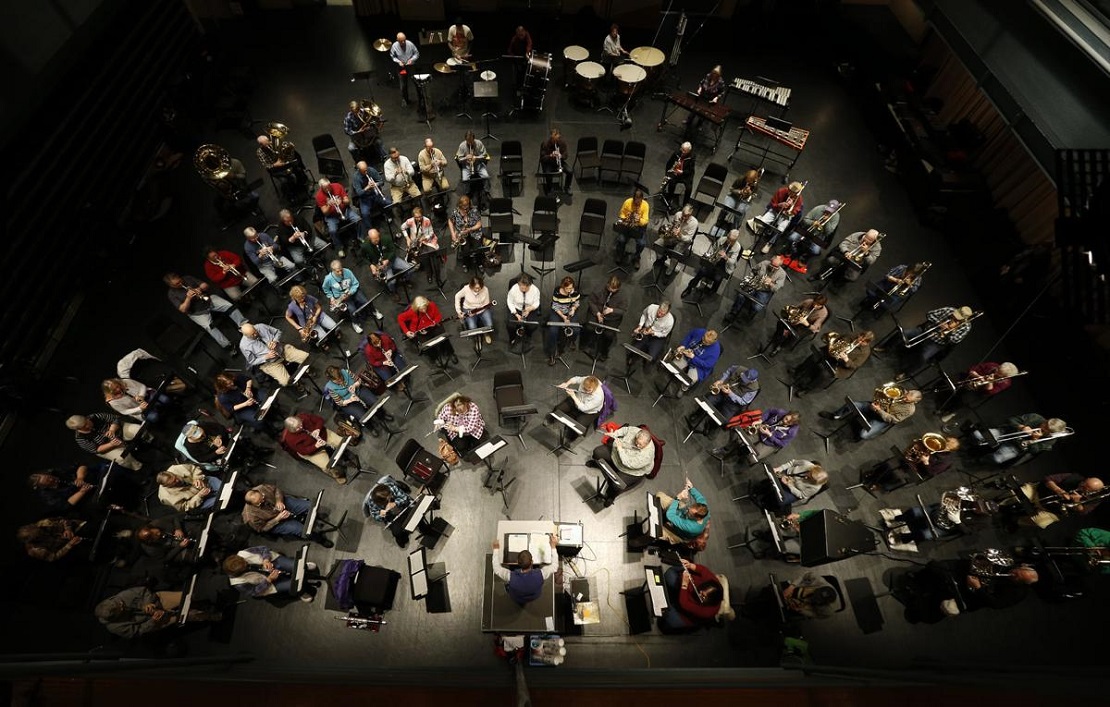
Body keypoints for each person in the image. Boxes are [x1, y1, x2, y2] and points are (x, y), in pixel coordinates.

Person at [877, 305, 975, 377]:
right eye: (955, 315)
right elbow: (930, 314)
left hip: (937, 343)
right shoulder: (949, 310)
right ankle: (885, 347)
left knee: (923, 358)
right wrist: (940, 323)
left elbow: (956, 340)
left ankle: (904, 373)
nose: (954, 318)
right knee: (903, 333)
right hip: (925, 331)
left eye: (958, 318)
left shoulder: (966, 326)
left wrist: (949, 331)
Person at [95, 586, 221, 638]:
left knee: (188, 596)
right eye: (121, 609)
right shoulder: (115, 627)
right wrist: (153, 621)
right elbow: (139, 631)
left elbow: (143, 590)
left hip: (159, 600)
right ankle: (211, 616)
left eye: (121, 604)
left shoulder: (121, 597)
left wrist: (148, 603)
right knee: (187, 616)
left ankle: (214, 598)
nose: (123, 605)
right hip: (155, 620)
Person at [164, 272, 246, 353]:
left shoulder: (187, 278)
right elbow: (183, 310)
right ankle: (229, 346)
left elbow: (205, 285)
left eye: (180, 281)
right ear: (171, 285)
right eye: (177, 284)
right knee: (209, 326)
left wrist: (199, 289)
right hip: (197, 312)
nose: (180, 283)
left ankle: (244, 326)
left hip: (208, 300)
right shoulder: (171, 294)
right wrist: (188, 298)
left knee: (229, 306)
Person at [1001, 473, 1103, 529]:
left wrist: (1077, 503)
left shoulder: (1095, 499)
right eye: (1083, 483)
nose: (1082, 486)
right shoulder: (1074, 477)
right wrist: (1059, 490)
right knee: (1017, 494)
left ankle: (1015, 521)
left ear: (1094, 491)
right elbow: (1048, 479)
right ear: (1086, 479)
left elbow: (1083, 512)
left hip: (1053, 510)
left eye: (1086, 488)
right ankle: (998, 505)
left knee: (1040, 522)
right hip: (1039, 493)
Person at [242, 483, 332, 545]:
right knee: (301, 530)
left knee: (310, 505)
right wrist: (277, 519)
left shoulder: (261, 488)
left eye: (263, 497)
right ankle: (320, 540)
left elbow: (276, 490)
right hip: (274, 522)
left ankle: (314, 517)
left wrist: (278, 500)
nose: (263, 500)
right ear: (253, 505)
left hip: (281, 504)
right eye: (260, 502)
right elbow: (262, 529)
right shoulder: (251, 517)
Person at [790, 329, 874, 396]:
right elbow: (837, 338)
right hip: (830, 354)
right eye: (860, 337)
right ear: (860, 334)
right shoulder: (851, 335)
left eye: (863, 341)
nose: (859, 341)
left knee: (825, 374)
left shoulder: (865, 352)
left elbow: (855, 366)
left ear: (867, 343)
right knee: (814, 357)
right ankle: (798, 371)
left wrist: (846, 359)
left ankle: (806, 389)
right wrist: (833, 345)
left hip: (840, 366)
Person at [864, 435, 960, 492]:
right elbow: (917, 446)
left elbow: (931, 473)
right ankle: (874, 475)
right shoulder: (935, 442)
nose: (943, 443)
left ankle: (879, 485)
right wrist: (917, 444)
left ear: (950, 449)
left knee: (896, 474)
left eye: (947, 444)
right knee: (889, 464)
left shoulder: (946, 461)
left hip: (917, 469)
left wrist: (926, 462)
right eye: (946, 440)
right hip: (910, 460)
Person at [820, 388, 922, 441]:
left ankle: (858, 434)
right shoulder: (900, 391)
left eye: (907, 400)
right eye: (906, 395)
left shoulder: (909, 410)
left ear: (914, 402)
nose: (904, 398)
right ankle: (835, 415)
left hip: (882, 419)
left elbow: (893, 420)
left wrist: (879, 411)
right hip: (874, 407)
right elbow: (881, 393)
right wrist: (877, 402)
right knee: (853, 405)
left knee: (863, 435)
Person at [223, 546, 316, 602]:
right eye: (245, 567)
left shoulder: (242, 553)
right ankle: (301, 592)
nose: (247, 565)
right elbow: (255, 592)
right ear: (239, 572)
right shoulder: (238, 583)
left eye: (245, 562)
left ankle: (303, 566)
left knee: (295, 566)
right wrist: (269, 580)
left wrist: (266, 560)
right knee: (295, 585)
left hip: (272, 561)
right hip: (268, 583)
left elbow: (263, 548)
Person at [660, 558, 729, 632]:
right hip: (684, 588)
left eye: (703, 596)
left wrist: (684, 584)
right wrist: (690, 565)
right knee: (669, 574)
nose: (700, 593)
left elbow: (684, 604)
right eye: (702, 591)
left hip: (685, 614)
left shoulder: (707, 612)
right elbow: (703, 570)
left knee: (668, 618)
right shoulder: (712, 581)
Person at [323, 364, 393, 436]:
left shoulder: (346, 372)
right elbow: (339, 402)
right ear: (331, 380)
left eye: (340, 377)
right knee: (361, 415)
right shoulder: (331, 388)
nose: (340, 381)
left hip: (358, 390)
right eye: (337, 380)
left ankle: (382, 415)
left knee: (375, 402)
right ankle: (370, 427)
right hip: (348, 402)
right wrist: (350, 400)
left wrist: (354, 385)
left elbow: (358, 380)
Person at [491, 534, 559, 606]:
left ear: (517, 562)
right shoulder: (541, 575)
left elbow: (496, 568)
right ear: (532, 562)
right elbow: (555, 566)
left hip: (516, 597)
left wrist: (496, 549)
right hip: (534, 596)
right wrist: (553, 546)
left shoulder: (510, 577)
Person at [280, 413, 348, 484]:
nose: (301, 428)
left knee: (342, 442)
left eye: (300, 424)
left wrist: (317, 429)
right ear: (291, 430)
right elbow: (303, 451)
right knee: (326, 466)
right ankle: (338, 476)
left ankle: (346, 455)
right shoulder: (290, 439)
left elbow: (319, 420)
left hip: (323, 435)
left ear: (299, 419)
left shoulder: (303, 416)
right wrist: (316, 446)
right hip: (312, 452)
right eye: (297, 428)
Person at [238, 322, 310, 389]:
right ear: (246, 336)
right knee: (285, 382)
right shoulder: (244, 346)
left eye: (255, 331)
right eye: (252, 335)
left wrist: (275, 341)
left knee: (306, 357)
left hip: (282, 350)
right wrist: (265, 357)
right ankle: (297, 385)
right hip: (270, 363)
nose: (256, 334)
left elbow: (278, 332)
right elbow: (252, 361)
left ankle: (308, 371)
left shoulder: (261, 326)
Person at [681, 229, 749, 299]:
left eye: (731, 241)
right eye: (728, 238)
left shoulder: (737, 247)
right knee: (701, 271)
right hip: (714, 262)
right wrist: (715, 254)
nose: (728, 241)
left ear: (735, 240)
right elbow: (713, 249)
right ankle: (689, 288)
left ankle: (712, 290)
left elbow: (733, 262)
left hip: (725, 266)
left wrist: (725, 257)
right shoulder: (722, 239)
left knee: (718, 278)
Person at [590, 425, 656, 493]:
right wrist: (615, 434)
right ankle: (598, 464)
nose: (637, 445)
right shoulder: (635, 431)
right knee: (597, 452)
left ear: (647, 444)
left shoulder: (647, 455)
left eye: (640, 445)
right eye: (637, 442)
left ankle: (611, 496)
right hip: (619, 453)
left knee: (616, 485)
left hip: (630, 470)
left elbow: (628, 463)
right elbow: (625, 430)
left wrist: (620, 450)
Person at [66, 413, 143, 470]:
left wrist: (112, 430)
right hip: (107, 447)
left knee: (137, 429)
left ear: (86, 418)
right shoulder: (80, 438)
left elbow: (115, 418)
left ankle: (149, 440)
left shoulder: (94, 417)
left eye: (87, 423)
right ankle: (139, 467)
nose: (88, 426)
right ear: (78, 429)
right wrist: (111, 444)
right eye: (84, 427)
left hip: (118, 430)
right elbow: (96, 450)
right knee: (122, 458)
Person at [397, 295, 458, 366]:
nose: (424, 310)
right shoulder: (412, 311)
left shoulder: (432, 305)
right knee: (427, 345)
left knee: (443, 337)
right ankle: (434, 358)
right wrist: (406, 331)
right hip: (420, 330)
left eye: (424, 307)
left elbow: (438, 316)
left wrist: (434, 322)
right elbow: (400, 318)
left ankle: (449, 353)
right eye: (421, 309)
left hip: (433, 326)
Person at [322, 258, 376, 335]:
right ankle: (355, 323)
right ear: (332, 271)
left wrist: (350, 292)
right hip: (341, 297)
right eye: (338, 271)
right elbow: (326, 289)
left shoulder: (347, 271)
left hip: (352, 291)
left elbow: (356, 283)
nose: (340, 272)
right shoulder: (328, 279)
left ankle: (374, 311)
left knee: (365, 301)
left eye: (341, 270)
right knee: (352, 309)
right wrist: (331, 297)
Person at [723, 256, 786, 322]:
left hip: (765, 291)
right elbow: (753, 270)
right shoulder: (764, 263)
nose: (772, 268)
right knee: (741, 295)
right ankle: (733, 312)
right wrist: (750, 279)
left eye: (775, 267)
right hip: (754, 285)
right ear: (770, 261)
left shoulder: (782, 274)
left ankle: (748, 317)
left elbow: (776, 289)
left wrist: (770, 283)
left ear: (779, 266)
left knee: (757, 307)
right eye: (771, 265)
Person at [27, 465, 104, 516]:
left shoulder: (56, 472)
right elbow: (66, 505)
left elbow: (81, 467)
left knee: (104, 468)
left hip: (94, 478)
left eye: (48, 476)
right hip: (84, 500)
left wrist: (80, 477)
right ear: (43, 486)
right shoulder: (48, 496)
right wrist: (82, 492)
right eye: (48, 481)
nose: (51, 479)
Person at [363, 476, 418, 547]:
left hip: (403, 506)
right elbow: (375, 515)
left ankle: (423, 527)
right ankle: (402, 539)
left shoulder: (390, 488)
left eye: (390, 496)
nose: (390, 498)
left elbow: (405, 497)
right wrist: (381, 515)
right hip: (390, 516)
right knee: (397, 532)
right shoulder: (372, 501)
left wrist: (396, 503)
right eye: (387, 500)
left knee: (417, 512)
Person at [582, 276, 627, 361]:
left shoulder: (623, 296)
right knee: (589, 328)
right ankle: (588, 345)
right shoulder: (598, 289)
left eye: (614, 290)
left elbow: (623, 310)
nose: (611, 292)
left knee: (609, 335)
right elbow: (591, 301)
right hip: (596, 313)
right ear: (607, 285)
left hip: (612, 318)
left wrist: (612, 310)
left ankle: (604, 352)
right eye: (610, 289)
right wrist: (598, 313)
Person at [747, 181, 804, 247]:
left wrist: (790, 210)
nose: (790, 193)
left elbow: (796, 211)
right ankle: (762, 227)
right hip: (775, 210)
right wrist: (779, 205)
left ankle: (770, 243)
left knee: (780, 229)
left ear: (796, 193)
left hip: (785, 216)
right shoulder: (781, 191)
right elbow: (772, 204)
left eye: (793, 193)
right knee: (761, 223)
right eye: (789, 191)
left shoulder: (799, 199)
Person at [814, 229, 882, 284]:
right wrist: (846, 252)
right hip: (844, 256)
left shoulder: (877, 248)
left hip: (855, 263)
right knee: (830, 260)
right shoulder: (857, 235)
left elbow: (871, 261)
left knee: (852, 277)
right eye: (866, 237)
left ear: (874, 240)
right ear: (865, 233)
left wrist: (866, 253)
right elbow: (843, 243)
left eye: (870, 240)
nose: (866, 240)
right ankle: (819, 274)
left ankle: (839, 282)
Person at [360, 227, 410, 302]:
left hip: (392, 260)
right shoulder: (365, 246)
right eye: (374, 239)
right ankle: (393, 292)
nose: (376, 240)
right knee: (391, 281)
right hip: (381, 266)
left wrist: (388, 259)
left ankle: (406, 280)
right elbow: (363, 257)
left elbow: (393, 250)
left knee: (409, 268)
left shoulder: (386, 238)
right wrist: (371, 265)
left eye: (377, 237)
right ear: (369, 238)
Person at [255, 134, 308, 203]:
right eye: (266, 144)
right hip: (275, 169)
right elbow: (266, 166)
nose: (269, 144)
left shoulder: (271, 143)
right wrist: (275, 165)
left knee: (298, 169)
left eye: (268, 141)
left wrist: (289, 145)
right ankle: (290, 196)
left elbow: (284, 144)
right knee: (284, 181)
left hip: (283, 163)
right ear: (261, 145)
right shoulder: (260, 152)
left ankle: (301, 187)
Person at [314, 178, 360, 257]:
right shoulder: (319, 196)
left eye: (329, 186)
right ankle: (339, 247)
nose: (328, 189)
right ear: (321, 188)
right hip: (331, 216)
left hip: (344, 211)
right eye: (325, 188)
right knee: (332, 230)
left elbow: (347, 201)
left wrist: (342, 201)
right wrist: (329, 205)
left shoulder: (337, 186)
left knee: (358, 219)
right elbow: (325, 212)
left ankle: (359, 237)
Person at [657, 477, 710, 544]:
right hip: (681, 515)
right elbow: (700, 498)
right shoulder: (703, 507)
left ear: (697, 518)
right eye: (689, 508)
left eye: (690, 513)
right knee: (659, 495)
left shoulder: (691, 527)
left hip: (679, 534)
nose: (688, 510)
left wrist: (678, 498)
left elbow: (670, 515)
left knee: (656, 532)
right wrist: (691, 487)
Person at [860, 261, 927, 314]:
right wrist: (896, 280)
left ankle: (874, 304)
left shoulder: (918, 278)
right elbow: (887, 275)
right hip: (888, 284)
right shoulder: (901, 268)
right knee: (871, 291)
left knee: (885, 304)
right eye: (910, 272)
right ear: (908, 269)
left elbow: (913, 291)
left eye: (913, 274)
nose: (910, 275)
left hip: (897, 293)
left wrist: (909, 285)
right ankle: (872, 302)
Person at [17, 517, 93, 563]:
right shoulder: (35, 550)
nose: (43, 533)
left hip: (74, 530)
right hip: (68, 550)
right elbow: (54, 557)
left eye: (41, 531)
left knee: (91, 529)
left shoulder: (43, 523)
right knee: (87, 552)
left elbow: (63, 519)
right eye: (40, 535)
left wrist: (68, 529)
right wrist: (69, 545)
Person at [626, 301, 675, 371]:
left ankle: (646, 363)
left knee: (651, 357)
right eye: (659, 311)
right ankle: (632, 358)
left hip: (657, 337)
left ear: (667, 313)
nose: (659, 314)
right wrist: (640, 326)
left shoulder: (670, 321)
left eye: (662, 314)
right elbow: (644, 315)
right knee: (634, 349)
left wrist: (653, 333)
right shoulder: (651, 307)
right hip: (645, 330)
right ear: (658, 307)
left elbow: (664, 334)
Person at [543, 276, 581, 366]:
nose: (569, 290)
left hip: (569, 311)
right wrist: (563, 317)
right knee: (553, 331)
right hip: (558, 312)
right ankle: (552, 353)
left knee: (576, 330)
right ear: (563, 287)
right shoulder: (557, 291)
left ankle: (571, 340)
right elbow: (555, 306)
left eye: (571, 288)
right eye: (567, 288)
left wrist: (574, 309)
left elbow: (577, 302)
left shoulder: (575, 291)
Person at [669, 328, 722, 392]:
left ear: (712, 343)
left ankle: (683, 388)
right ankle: (669, 379)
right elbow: (689, 336)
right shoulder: (700, 331)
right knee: (673, 366)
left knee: (690, 379)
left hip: (699, 367)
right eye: (703, 339)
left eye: (706, 343)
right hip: (687, 355)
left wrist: (693, 358)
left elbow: (707, 365)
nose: (703, 342)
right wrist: (683, 345)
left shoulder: (715, 350)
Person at [711, 170, 760, 238]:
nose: (748, 182)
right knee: (726, 207)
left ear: (754, 179)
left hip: (744, 200)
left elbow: (754, 196)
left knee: (740, 212)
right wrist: (740, 192)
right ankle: (719, 222)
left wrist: (750, 194)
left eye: (750, 180)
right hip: (733, 196)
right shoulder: (740, 179)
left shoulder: (755, 184)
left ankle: (735, 229)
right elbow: (731, 189)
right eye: (748, 179)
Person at [155, 463, 222, 512]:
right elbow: (184, 507)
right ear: (167, 486)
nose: (177, 480)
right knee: (222, 501)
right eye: (174, 482)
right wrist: (199, 496)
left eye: (175, 477)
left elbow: (194, 468)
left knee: (226, 487)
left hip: (206, 482)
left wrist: (197, 478)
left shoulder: (175, 468)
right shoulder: (167, 497)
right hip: (200, 500)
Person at [101, 377, 170, 424]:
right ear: (110, 391)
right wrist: (139, 408)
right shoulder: (112, 401)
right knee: (154, 417)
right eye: (114, 390)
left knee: (166, 400)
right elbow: (124, 411)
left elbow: (142, 386)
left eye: (117, 386)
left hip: (147, 396)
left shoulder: (125, 381)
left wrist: (141, 395)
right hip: (139, 410)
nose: (118, 389)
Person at [652, 204, 698, 274]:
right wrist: (671, 229)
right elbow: (671, 224)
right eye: (683, 214)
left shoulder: (694, 223)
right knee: (657, 244)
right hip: (672, 237)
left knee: (675, 256)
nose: (683, 217)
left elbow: (688, 239)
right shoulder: (678, 214)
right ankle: (660, 258)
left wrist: (680, 235)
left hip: (683, 241)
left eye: (686, 216)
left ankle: (669, 270)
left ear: (691, 214)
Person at [401, 205, 441, 284]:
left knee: (433, 255)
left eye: (420, 217)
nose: (418, 219)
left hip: (428, 241)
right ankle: (429, 274)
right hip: (416, 243)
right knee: (424, 257)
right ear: (413, 216)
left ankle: (437, 276)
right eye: (416, 217)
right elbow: (402, 227)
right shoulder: (410, 221)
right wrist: (407, 238)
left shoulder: (427, 220)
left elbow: (432, 233)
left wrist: (425, 237)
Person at [685, 66, 726, 139]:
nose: (713, 75)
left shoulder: (720, 82)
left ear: (718, 75)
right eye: (713, 73)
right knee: (694, 109)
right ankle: (688, 121)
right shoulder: (708, 76)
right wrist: (700, 88)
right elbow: (701, 83)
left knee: (703, 113)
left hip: (710, 99)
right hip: (702, 96)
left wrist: (716, 97)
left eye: (715, 75)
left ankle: (699, 125)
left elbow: (722, 92)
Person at [448, 195, 486, 273]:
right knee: (465, 250)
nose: (466, 208)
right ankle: (466, 264)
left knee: (478, 248)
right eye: (464, 207)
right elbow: (450, 221)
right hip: (462, 235)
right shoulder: (455, 212)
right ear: (459, 205)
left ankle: (479, 263)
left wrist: (470, 229)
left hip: (475, 233)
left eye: (467, 206)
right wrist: (452, 234)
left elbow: (479, 224)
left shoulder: (474, 210)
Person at [613, 189, 650, 267]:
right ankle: (620, 254)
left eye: (639, 202)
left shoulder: (645, 205)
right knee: (621, 239)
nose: (637, 203)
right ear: (633, 198)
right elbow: (622, 213)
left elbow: (646, 220)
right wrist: (625, 218)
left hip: (638, 227)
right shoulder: (628, 202)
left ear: (642, 199)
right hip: (627, 225)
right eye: (635, 201)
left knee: (641, 243)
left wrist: (639, 220)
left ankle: (637, 257)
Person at [351, 160, 392, 227]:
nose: (366, 172)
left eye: (366, 169)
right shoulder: (356, 178)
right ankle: (369, 228)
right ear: (359, 170)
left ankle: (389, 216)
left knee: (389, 203)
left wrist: (376, 184)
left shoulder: (371, 170)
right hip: (365, 198)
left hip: (376, 194)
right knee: (365, 213)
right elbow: (359, 193)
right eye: (363, 171)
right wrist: (367, 187)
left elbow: (381, 181)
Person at [454, 276, 495, 343]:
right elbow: (457, 296)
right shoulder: (466, 289)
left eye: (479, 288)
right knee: (472, 327)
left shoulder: (485, 289)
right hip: (469, 309)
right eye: (476, 288)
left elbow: (486, 304)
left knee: (489, 325)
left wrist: (476, 312)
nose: (478, 290)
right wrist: (459, 311)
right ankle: (477, 337)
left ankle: (486, 334)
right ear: (471, 286)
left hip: (482, 309)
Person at [344, 100, 386, 164]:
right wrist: (357, 132)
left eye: (357, 111)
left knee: (378, 142)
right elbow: (347, 130)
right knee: (351, 148)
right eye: (354, 113)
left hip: (369, 135)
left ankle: (383, 157)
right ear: (350, 110)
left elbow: (378, 119)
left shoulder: (366, 111)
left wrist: (378, 126)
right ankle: (358, 162)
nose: (356, 114)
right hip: (357, 138)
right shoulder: (348, 117)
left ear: (359, 108)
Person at [454, 131, 492, 202]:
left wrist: (476, 157)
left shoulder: (479, 143)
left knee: (486, 176)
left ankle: (487, 191)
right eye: (468, 141)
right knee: (465, 179)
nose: (470, 143)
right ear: (466, 140)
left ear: (474, 139)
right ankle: (467, 193)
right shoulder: (462, 145)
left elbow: (485, 155)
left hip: (478, 165)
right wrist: (465, 158)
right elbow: (458, 158)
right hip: (467, 166)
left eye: (471, 141)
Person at [506, 274, 542, 347]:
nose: (524, 289)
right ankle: (512, 338)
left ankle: (528, 335)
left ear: (530, 285)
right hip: (517, 308)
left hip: (530, 308)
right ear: (519, 284)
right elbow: (509, 302)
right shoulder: (514, 289)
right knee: (510, 326)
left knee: (532, 326)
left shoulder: (535, 290)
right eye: (522, 287)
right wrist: (516, 314)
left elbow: (537, 302)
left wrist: (529, 309)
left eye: (526, 287)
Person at [539, 127, 573, 196]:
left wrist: (560, 155)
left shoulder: (562, 143)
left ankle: (567, 187)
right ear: (551, 137)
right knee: (548, 174)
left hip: (559, 162)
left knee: (570, 171)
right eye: (554, 139)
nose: (555, 141)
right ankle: (550, 188)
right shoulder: (545, 144)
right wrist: (550, 155)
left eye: (557, 139)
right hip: (549, 163)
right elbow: (542, 158)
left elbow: (566, 155)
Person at [417, 137, 451, 203]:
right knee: (426, 190)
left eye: (431, 147)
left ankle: (442, 194)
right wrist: (431, 165)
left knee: (446, 186)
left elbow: (446, 163)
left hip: (439, 174)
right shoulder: (421, 155)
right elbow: (422, 169)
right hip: (427, 176)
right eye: (428, 147)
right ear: (425, 146)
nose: (430, 149)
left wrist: (440, 162)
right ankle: (430, 199)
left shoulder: (437, 151)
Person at [389, 32, 419, 105]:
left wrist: (411, 59)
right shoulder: (394, 46)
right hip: (401, 68)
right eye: (401, 41)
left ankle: (420, 97)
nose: (403, 42)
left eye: (404, 40)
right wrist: (398, 62)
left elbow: (417, 53)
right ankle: (405, 99)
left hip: (410, 66)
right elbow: (393, 56)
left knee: (416, 82)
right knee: (403, 85)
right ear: (397, 40)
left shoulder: (410, 44)